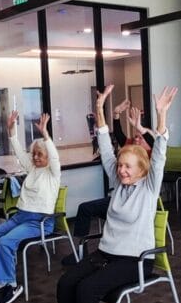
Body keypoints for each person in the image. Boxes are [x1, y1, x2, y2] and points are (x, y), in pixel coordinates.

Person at [47, 84, 175, 303]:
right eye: (120, 166)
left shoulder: (149, 188)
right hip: (107, 254)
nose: (121, 171)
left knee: (86, 290)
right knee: (65, 283)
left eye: (128, 167)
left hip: (136, 260)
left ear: (142, 170)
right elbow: (105, 146)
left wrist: (161, 116)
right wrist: (100, 110)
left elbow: (159, 154)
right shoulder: (118, 185)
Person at [0, 111, 61, 303]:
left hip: (39, 221)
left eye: (40, 154)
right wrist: (11, 130)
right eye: (34, 154)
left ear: (47, 156)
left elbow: (54, 157)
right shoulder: (32, 168)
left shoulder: (53, 173)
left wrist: (45, 135)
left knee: (5, 243)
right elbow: (18, 150)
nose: (36, 157)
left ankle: (11, 285)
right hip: (21, 216)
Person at [61, 104, 152, 267]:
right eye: (136, 137)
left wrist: (143, 128)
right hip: (120, 201)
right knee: (85, 208)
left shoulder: (151, 161)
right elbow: (116, 140)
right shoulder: (130, 153)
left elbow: (159, 148)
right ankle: (80, 251)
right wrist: (115, 115)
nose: (136, 140)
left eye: (140, 138)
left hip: (140, 205)